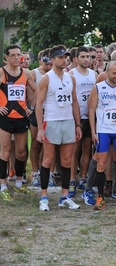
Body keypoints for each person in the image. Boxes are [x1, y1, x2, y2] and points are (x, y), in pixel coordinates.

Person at [36, 45, 82, 211]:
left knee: (67, 160)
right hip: (52, 121)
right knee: (48, 159)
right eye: (61, 57)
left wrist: (77, 124)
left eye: (66, 57)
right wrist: (40, 128)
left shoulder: (71, 77)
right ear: (53, 59)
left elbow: (75, 101)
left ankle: (64, 196)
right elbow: (39, 103)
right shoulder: (46, 79)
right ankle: (43, 197)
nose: (65, 60)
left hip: (68, 121)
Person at [88, 61, 116, 210]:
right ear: (107, 73)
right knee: (101, 163)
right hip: (103, 130)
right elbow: (92, 110)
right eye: (114, 73)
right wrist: (93, 131)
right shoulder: (98, 88)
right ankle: (100, 197)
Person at [0, 44, 36, 201]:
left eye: (18, 55)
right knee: (5, 152)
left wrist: (32, 107)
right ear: (6, 57)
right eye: (13, 55)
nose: (16, 58)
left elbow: (37, 91)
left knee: (21, 152)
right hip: (6, 117)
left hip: (21, 117)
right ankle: (3, 185)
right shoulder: (2, 73)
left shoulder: (26, 73)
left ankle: (20, 183)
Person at [67, 46, 98, 197]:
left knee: (87, 148)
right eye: (83, 57)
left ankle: (83, 177)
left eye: (89, 57)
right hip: (76, 117)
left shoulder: (94, 74)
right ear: (76, 59)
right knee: (74, 150)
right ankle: (72, 179)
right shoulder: (71, 74)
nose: (87, 59)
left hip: (90, 116)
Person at [30, 49, 53, 187]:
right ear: (40, 61)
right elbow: (29, 93)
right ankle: (35, 173)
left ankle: (48, 174)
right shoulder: (34, 73)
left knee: (50, 145)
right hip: (37, 111)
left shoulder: (56, 74)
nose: (48, 63)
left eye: (51, 60)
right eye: (45, 60)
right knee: (35, 143)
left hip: (51, 112)